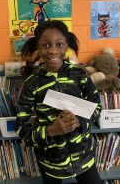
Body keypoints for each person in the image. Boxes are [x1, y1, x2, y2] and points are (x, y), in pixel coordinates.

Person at [15, 20, 102, 184]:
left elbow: (97, 106)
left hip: (84, 157)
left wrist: (79, 122)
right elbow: (21, 128)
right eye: (46, 45)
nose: (53, 50)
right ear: (39, 48)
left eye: (59, 44)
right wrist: (50, 131)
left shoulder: (79, 74)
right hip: (51, 162)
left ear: (66, 45)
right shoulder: (32, 83)